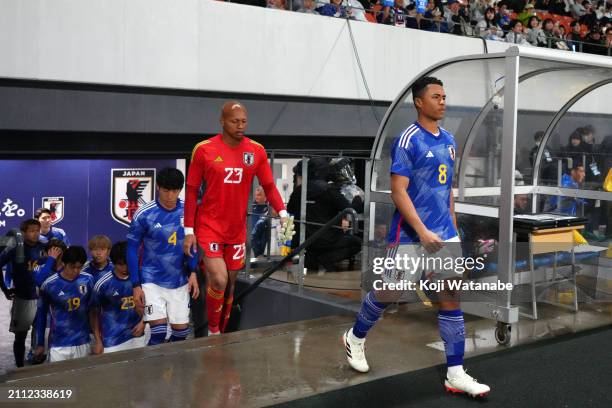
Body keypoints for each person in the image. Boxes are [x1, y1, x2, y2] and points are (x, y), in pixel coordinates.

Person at [341, 77, 490, 397]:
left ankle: (456, 372)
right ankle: (355, 336)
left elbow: (446, 189)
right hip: (410, 234)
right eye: (436, 96)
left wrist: (453, 231)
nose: (443, 101)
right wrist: (422, 231)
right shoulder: (408, 139)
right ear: (419, 102)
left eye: (445, 96)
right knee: (390, 293)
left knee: (451, 297)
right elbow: (398, 191)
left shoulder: (449, 140)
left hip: (444, 234)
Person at [183, 101, 289, 335]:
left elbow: (269, 186)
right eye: (235, 121)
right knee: (218, 280)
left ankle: (220, 330)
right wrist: (188, 230)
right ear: (222, 121)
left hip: (236, 229)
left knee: (229, 286)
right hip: (209, 225)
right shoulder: (204, 149)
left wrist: (282, 213)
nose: (240, 126)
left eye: (244, 121)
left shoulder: (256, 151)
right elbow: (191, 191)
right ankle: (213, 331)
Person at [128, 168, 200, 345]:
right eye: (166, 190)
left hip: (179, 278)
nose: (170, 196)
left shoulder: (189, 212)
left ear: (180, 190)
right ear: (158, 188)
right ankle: (151, 371)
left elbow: (193, 244)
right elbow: (131, 249)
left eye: (175, 191)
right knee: (158, 333)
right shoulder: (144, 214)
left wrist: (193, 272)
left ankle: (170, 369)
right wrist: (136, 285)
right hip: (151, 279)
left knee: (181, 333)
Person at [34, 246, 95, 362]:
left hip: (83, 342)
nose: (76, 271)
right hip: (59, 344)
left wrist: (97, 338)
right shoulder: (49, 284)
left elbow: (93, 310)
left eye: (79, 267)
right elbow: (41, 315)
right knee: (59, 380)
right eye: (73, 267)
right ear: (64, 263)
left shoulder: (88, 280)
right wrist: (40, 343)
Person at [0, 219, 45, 367]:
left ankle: (36, 361)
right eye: (31, 231)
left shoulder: (45, 246)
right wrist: (4, 289)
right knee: (20, 336)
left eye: (37, 230)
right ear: (24, 233)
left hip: (41, 298)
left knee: (39, 335)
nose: (35, 234)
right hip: (22, 298)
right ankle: (19, 367)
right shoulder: (14, 248)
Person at [92, 241, 145, 354]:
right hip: (112, 340)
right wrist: (97, 340)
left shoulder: (142, 277)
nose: (125, 267)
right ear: (113, 262)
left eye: (128, 263)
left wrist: (144, 322)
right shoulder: (102, 284)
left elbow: (151, 304)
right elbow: (93, 313)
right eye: (121, 264)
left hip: (139, 335)